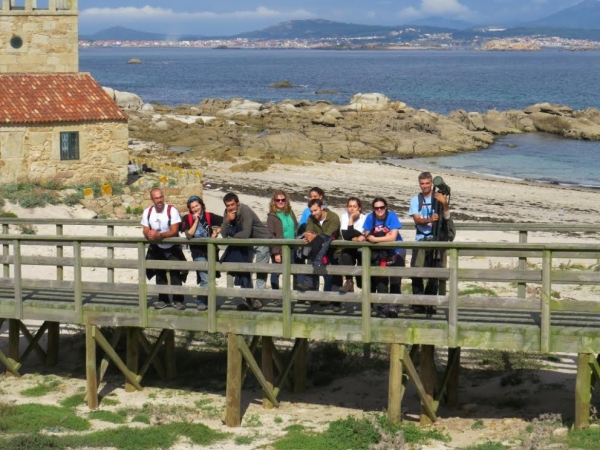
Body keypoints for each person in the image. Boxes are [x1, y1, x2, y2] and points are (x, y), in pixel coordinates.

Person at [221, 192, 271, 311]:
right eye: (227, 205)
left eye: (232, 204)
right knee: (244, 270)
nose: (230, 208)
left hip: (261, 241)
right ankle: (247, 300)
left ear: (237, 203)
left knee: (261, 270)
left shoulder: (245, 210)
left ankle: (258, 298)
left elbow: (245, 233)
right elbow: (223, 234)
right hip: (246, 244)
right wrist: (227, 221)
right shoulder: (227, 213)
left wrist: (231, 237)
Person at [408, 171, 451, 313]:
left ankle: (430, 304)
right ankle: (418, 303)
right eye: (422, 184)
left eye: (427, 183)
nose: (425, 186)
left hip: (436, 239)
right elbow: (417, 219)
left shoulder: (438, 198)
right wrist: (430, 220)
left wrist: (444, 204)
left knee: (435, 274)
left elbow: (446, 218)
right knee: (416, 272)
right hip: (421, 239)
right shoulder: (416, 200)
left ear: (431, 183)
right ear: (419, 184)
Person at [141, 188, 187, 310]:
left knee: (176, 273)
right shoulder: (148, 212)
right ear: (152, 199)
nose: (159, 200)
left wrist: (159, 235)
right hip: (157, 246)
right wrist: (149, 234)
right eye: (156, 198)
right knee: (159, 273)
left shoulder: (172, 211)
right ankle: (163, 300)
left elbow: (174, 230)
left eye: (161, 197)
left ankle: (178, 300)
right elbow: (145, 229)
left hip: (172, 246)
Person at [363, 197, 405, 318]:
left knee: (395, 280)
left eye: (382, 207)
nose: (379, 210)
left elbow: (393, 236)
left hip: (396, 251)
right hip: (379, 253)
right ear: (373, 209)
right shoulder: (370, 218)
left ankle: (394, 306)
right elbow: (366, 233)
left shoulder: (392, 216)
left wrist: (375, 239)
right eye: (376, 208)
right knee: (381, 280)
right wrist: (376, 236)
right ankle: (382, 306)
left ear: (386, 207)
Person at [180, 195, 223, 311]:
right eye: (192, 207)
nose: (195, 209)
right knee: (205, 278)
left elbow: (226, 221)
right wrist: (196, 220)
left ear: (201, 205)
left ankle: (208, 300)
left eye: (197, 206)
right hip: (197, 252)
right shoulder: (187, 219)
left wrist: (217, 232)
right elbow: (189, 235)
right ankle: (200, 301)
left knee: (211, 278)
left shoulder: (209, 216)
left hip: (211, 251)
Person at [299, 198, 342, 312]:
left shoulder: (333, 217)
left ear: (321, 208)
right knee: (316, 244)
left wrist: (315, 236)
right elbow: (308, 233)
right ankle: (315, 291)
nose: (313, 213)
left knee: (336, 277)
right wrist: (313, 236)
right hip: (318, 249)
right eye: (311, 211)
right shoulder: (311, 218)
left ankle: (336, 302)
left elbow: (328, 234)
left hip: (334, 250)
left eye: (315, 210)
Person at [266, 190, 298, 291]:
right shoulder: (272, 216)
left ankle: (296, 294)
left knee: (295, 270)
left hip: (292, 247)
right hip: (279, 248)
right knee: (276, 272)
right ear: (274, 201)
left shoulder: (290, 212)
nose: (280, 202)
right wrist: (276, 253)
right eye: (278, 200)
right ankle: (276, 295)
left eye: (283, 200)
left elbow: (296, 227)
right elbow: (271, 235)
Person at [338, 197, 367, 294]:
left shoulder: (364, 218)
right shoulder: (344, 216)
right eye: (350, 206)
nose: (352, 208)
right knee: (345, 255)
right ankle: (349, 281)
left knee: (362, 264)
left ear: (359, 208)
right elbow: (346, 235)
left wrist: (356, 236)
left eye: (354, 206)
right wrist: (351, 219)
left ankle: (362, 286)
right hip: (349, 248)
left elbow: (362, 235)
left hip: (361, 248)